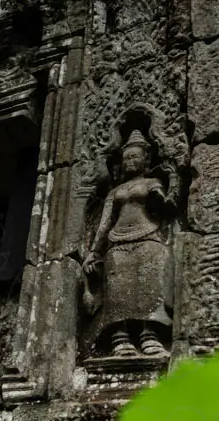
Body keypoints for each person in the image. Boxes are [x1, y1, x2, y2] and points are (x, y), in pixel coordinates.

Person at [82, 129, 172, 357]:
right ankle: (119, 338)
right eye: (127, 159)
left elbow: (165, 208)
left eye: (135, 157)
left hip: (148, 237)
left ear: (146, 160)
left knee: (148, 286)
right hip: (117, 242)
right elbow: (104, 224)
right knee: (118, 291)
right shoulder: (116, 191)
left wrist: (162, 194)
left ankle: (149, 334)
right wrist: (94, 251)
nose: (130, 162)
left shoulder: (153, 181)